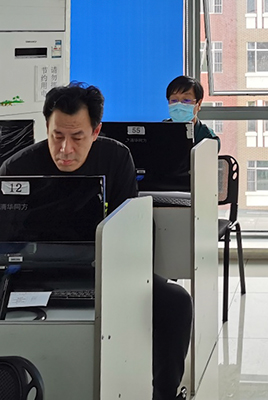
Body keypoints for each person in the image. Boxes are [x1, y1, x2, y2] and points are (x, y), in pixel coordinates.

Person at [0, 83, 192, 400]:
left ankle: (165, 394)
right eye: (57, 136)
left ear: (96, 130)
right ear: (46, 127)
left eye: (77, 137)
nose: (65, 149)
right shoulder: (17, 169)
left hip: (105, 272)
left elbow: (130, 229)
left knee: (176, 301)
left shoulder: (116, 158)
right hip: (32, 276)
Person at [166, 75, 221, 152]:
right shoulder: (159, 132)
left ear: (199, 103)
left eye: (186, 100)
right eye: (174, 100)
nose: (179, 105)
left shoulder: (208, 139)